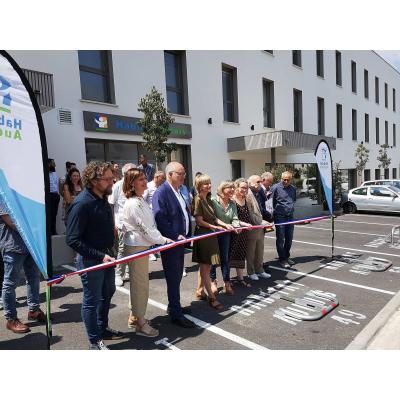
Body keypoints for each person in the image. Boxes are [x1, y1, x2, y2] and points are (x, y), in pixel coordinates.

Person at [66, 161, 123, 350]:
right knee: (92, 301)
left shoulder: (102, 198)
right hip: (92, 260)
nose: (111, 182)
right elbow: (72, 239)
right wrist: (99, 256)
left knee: (108, 292)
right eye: (107, 179)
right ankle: (94, 341)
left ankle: (102, 328)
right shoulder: (81, 204)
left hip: (107, 255)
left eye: (112, 178)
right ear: (93, 180)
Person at [122, 169, 174, 336]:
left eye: (145, 178)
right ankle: (140, 323)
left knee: (139, 283)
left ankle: (135, 316)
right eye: (141, 179)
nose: (145, 182)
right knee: (140, 285)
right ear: (131, 183)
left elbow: (149, 227)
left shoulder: (140, 200)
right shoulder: (132, 203)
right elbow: (144, 229)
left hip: (141, 246)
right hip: (137, 246)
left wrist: (160, 238)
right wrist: (164, 239)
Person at [152, 161, 195, 328]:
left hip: (180, 241)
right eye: (180, 173)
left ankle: (174, 306)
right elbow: (159, 217)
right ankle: (176, 314)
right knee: (173, 277)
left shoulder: (179, 190)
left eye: (184, 173)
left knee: (176, 276)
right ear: (169, 175)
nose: (184, 176)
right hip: (171, 242)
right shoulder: (161, 193)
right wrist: (173, 235)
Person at [0, 201, 45, 333]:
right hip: (12, 246)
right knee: (10, 283)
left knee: (33, 278)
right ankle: (11, 319)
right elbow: (11, 222)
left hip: (30, 245)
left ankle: (34, 310)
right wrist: (35, 229)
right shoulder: (4, 195)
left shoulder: (21, 192)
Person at [192, 174, 231, 310]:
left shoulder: (208, 199)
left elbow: (214, 219)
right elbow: (199, 220)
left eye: (209, 183)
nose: (209, 185)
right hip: (203, 236)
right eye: (205, 184)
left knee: (206, 267)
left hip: (211, 236)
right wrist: (215, 227)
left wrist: (225, 225)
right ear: (199, 186)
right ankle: (211, 297)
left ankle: (200, 291)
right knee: (205, 267)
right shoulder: (198, 199)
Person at [210, 181, 251, 295]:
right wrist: (225, 225)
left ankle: (226, 282)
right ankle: (213, 281)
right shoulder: (213, 201)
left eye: (233, 188)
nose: (233, 190)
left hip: (226, 234)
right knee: (214, 258)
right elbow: (213, 218)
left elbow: (235, 218)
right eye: (230, 188)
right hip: (214, 233)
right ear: (222, 189)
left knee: (225, 258)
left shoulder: (232, 203)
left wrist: (236, 226)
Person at [108, 163, 137, 286]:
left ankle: (129, 272)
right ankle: (118, 274)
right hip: (122, 223)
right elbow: (111, 205)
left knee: (133, 248)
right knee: (122, 248)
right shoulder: (117, 186)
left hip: (135, 223)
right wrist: (114, 224)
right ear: (125, 173)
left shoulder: (135, 185)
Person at [246, 175, 273, 281]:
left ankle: (260, 270)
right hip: (253, 226)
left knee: (260, 249)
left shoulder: (259, 191)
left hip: (261, 226)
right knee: (251, 251)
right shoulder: (247, 194)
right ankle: (251, 271)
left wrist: (269, 218)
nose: (260, 183)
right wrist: (261, 222)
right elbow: (250, 213)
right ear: (251, 183)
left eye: (260, 181)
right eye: (257, 182)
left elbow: (263, 207)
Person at [229, 178, 253, 287]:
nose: (244, 190)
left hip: (244, 234)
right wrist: (245, 224)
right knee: (230, 255)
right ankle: (227, 281)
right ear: (236, 187)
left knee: (241, 255)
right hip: (234, 233)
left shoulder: (246, 199)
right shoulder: (232, 201)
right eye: (242, 187)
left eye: (246, 188)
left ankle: (240, 278)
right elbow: (231, 219)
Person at [270, 171, 297, 268]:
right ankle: (282, 259)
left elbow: (293, 200)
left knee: (289, 238)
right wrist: (271, 216)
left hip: (290, 216)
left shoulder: (293, 189)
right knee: (281, 238)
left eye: (287, 180)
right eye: (283, 179)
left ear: (291, 180)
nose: (285, 181)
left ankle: (286, 256)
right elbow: (270, 202)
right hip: (280, 216)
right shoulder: (275, 188)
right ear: (281, 178)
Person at [143, 170, 166, 262]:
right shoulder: (148, 186)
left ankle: (157, 249)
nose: (164, 180)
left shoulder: (161, 186)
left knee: (158, 231)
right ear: (156, 177)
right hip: (150, 213)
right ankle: (150, 252)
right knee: (150, 232)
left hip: (159, 213)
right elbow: (143, 199)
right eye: (162, 178)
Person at [48, 158, 60, 235]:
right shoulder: (45, 174)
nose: (54, 164)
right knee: (50, 214)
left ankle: (53, 230)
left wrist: (58, 194)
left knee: (54, 214)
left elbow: (56, 184)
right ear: (49, 164)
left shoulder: (54, 173)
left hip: (55, 195)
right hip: (49, 195)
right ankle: (50, 231)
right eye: (53, 163)